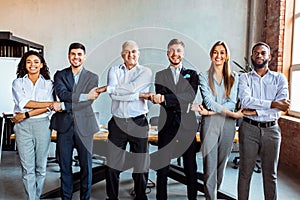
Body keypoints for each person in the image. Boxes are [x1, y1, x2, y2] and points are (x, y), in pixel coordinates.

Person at [50, 42, 103, 200]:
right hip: (64, 127)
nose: (76, 57)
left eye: (79, 54)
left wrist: (65, 106)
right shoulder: (60, 75)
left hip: (84, 127)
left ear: (84, 57)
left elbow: (88, 102)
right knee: (65, 167)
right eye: (73, 54)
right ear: (69, 56)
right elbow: (62, 94)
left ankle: (84, 198)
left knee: (86, 167)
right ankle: (66, 198)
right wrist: (84, 96)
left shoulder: (92, 77)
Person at [238, 42, 289, 200]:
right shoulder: (244, 78)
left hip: (272, 130)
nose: (259, 55)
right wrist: (273, 103)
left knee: (270, 174)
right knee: (245, 172)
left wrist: (256, 111)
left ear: (269, 57)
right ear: (252, 57)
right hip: (249, 129)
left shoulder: (279, 78)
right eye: (256, 53)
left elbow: (283, 106)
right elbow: (246, 101)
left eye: (263, 53)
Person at [151, 39, 199, 200]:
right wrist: (182, 103)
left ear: (183, 54)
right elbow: (177, 100)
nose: (175, 54)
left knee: (190, 168)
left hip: (188, 127)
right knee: (162, 169)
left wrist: (166, 98)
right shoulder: (160, 75)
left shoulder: (192, 74)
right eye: (171, 50)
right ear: (167, 53)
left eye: (178, 50)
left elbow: (190, 95)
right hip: (167, 127)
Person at [104, 40, 152, 200]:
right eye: (127, 52)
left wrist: (121, 91)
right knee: (112, 165)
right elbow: (112, 94)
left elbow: (119, 90)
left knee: (141, 165)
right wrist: (138, 95)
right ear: (122, 54)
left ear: (138, 53)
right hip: (117, 123)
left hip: (138, 122)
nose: (130, 54)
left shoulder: (146, 72)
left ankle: (140, 196)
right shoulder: (114, 70)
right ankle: (112, 197)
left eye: (133, 51)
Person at [196, 41, 243, 200]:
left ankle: (215, 192)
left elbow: (232, 101)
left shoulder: (234, 77)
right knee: (209, 166)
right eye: (215, 52)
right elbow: (208, 101)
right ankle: (211, 197)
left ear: (226, 55)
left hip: (228, 123)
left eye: (222, 52)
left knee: (221, 165)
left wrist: (210, 113)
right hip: (210, 125)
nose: (218, 55)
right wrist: (211, 112)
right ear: (211, 55)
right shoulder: (203, 76)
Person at [11, 50, 55, 200]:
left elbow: (47, 108)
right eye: (29, 62)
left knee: (41, 167)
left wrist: (26, 113)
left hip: (42, 125)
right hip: (22, 127)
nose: (32, 65)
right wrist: (48, 104)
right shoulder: (18, 82)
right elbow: (25, 103)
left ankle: (36, 196)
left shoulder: (49, 84)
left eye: (36, 62)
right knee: (27, 168)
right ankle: (32, 198)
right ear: (24, 64)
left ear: (42, 65)